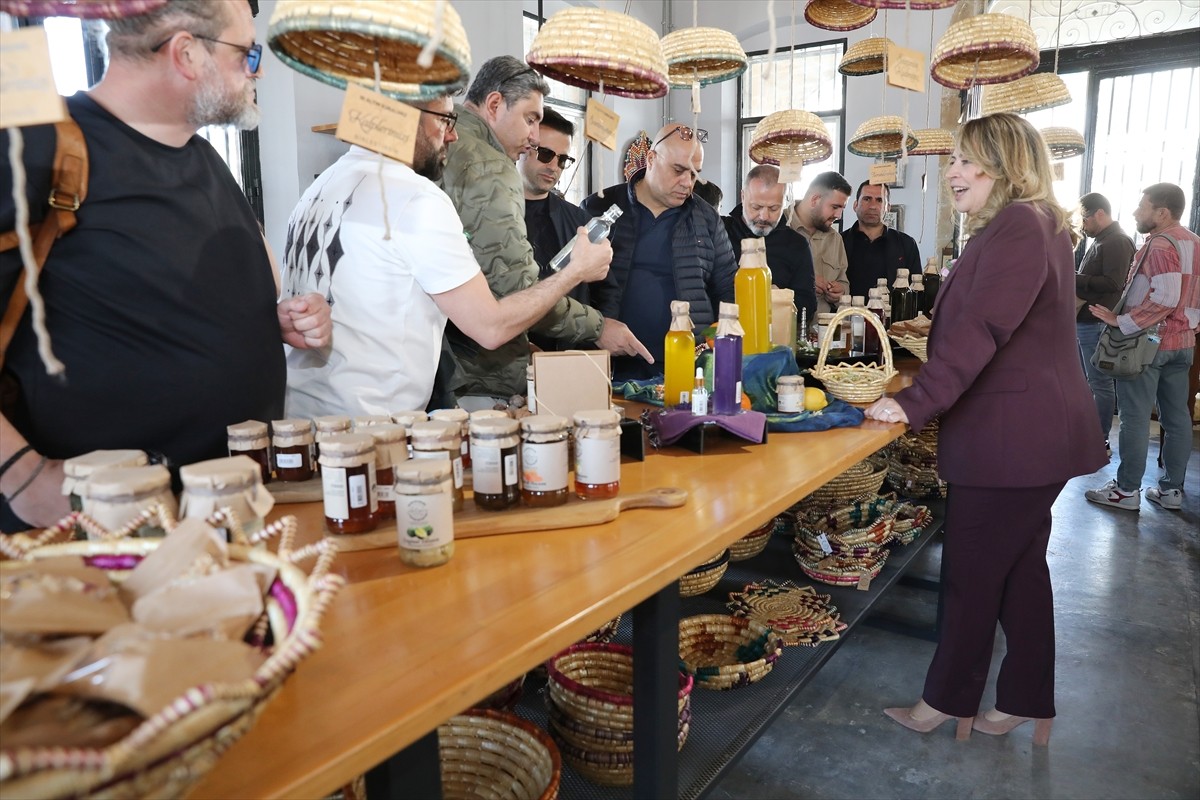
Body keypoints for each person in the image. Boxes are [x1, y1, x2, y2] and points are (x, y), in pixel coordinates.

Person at [0, 0, 331, 532]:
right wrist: (23, 476)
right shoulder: (38, 147)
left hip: (224, 514)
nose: (259, 70)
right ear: (186, 53)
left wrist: (274, 323)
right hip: (104, 533)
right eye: (248, 54)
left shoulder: (205, 157)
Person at [864, 113, 1106, 744]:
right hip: (1030, 436)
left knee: (972, 575)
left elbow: (984, 330)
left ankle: (944, 702)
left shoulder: (1021, 226)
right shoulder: (1030, 224)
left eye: (970, 161)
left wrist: (915, 402)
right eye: (954, 162)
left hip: (1013, 439)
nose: (954, 173)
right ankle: (1026, 699)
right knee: (1020, 570)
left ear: (1009, 165)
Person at [282, 92, 613, 419]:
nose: (453, 135)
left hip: (301, 415)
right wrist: (575, 271)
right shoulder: (414, 196)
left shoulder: (320, 186)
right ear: (404, 115)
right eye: (444, 119)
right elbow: (491, 327)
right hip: (368, 427)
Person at [438, 56, 646, 409]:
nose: (533, 138)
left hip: (439, 365)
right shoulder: (489, 166)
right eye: (530, 120)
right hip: (478, 376)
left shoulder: (446, 145)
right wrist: (598, 326)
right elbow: (515, 295)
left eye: (563, 159)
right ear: (494, 105)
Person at [581, 123, 737, 382]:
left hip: (689, 365)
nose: (688, 183)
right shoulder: (600, 207)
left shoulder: (707, 218)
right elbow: (574, 288)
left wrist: (716, 348)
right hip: (610, 363)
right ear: (651, 159)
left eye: (694, 173)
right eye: (678, 170)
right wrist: (595, 330)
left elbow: (728, 290)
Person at [1084, 183, 1200, 512]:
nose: (1136, 212)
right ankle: (1171, 491)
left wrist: (1123, 322)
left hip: (1149, 345)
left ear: (1162, 213)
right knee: (1177, 418)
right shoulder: (1194, 242)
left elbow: (1165, 297)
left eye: (1142, 206)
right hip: (1184, 345)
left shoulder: (1161, 244)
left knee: (1134, 418)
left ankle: (1126, 491)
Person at [519, 106, 589, 355]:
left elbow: (602, 291)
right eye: (546, 154)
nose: (554, 167)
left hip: (564, 355)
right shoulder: (493, 213)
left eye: (562, 159)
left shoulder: (578, 220)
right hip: (501, 355)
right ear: (524, 147)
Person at [1073, 192, 1135, 452]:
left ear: (1100, 213)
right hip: (1087, 319)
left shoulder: (1118, 241)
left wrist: (1074, 278)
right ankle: (1089, 435)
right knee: (1089, 382)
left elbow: (1114, 283)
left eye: (1085, 220)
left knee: (1100, 383)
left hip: (1098, 320)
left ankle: (1100, 439)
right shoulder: (1102, 240)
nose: (1083, 226)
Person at [722, 165, 817, 325]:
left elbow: (808, 304)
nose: (764, 216)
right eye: (756, 207)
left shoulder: (796, 244)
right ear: (743, 196)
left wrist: (781, 299)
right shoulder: (721, 232)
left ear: (785, 202)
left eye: (774, 208)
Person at [842, 180, 921, 298]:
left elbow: (916, 290)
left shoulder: (907, 244)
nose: (873, 206)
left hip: (893, 315)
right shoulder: (839, 242)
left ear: (888, 207)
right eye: (867, 199)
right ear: (855, 205)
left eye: (880, 200)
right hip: (846, 314)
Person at [787, 172, 851, 313]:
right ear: (815, 199)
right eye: (835, 207)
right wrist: (803, 282)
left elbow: (843, 283)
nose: (838, 215)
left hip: (825, 331)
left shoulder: (835, 239)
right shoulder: (778, 228)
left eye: (842, 208)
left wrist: (839, 293)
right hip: (785, 329)